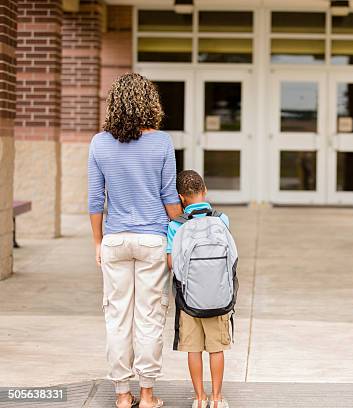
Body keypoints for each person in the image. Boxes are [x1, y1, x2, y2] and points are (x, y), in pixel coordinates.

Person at [88, 73, 182, 408]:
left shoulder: (99, 143)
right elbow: (170, 200)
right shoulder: (162, 142)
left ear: (114, 104)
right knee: (149, 316)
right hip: (152, 241)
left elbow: (95, 201)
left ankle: (122, 395)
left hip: (114, 240)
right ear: (149, 103)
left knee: (116, 317)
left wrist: (98, 242)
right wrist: (186, 218)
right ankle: (147, 394)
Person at [167, 170, 231, 408]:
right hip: (218, 297)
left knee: (194, 349)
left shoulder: (176, 225)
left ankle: (200, 398)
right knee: (217, 349)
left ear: (181, 197)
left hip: (189, 300)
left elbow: (172, 263)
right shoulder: (221, 219)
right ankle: (217, 398)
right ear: (205, 191)